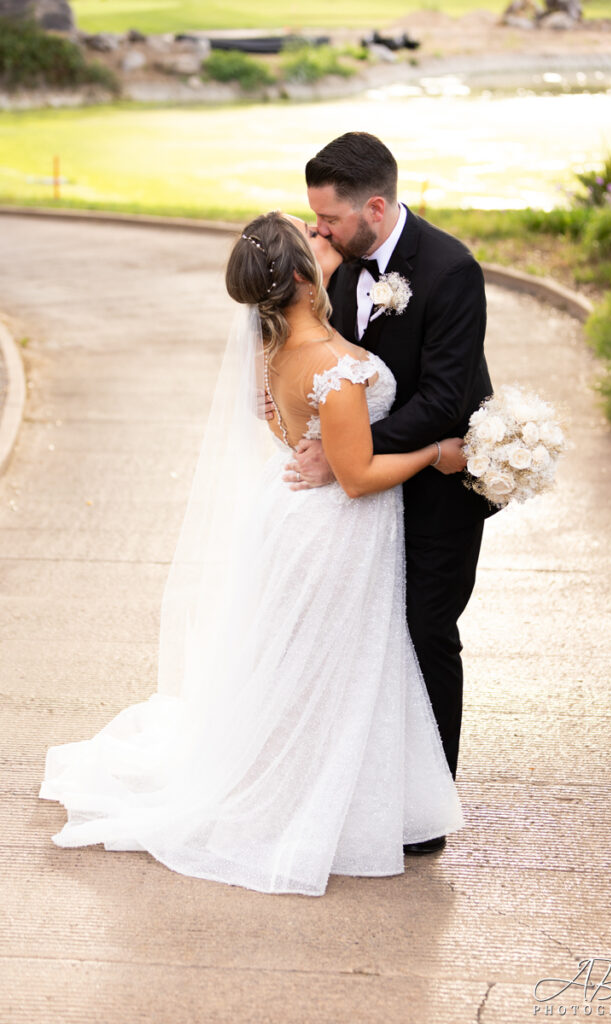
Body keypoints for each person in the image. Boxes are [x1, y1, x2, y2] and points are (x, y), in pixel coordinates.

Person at [38, 212, 468, 897]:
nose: (327, 243)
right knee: (333, 667)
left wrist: (309, 286)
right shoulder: (331, 364)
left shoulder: (273, 348)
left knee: (296, 665)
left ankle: (310, 780)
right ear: (300, 277)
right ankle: (313, 799)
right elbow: (356, 476)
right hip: (335, 526)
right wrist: (437, 453)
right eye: (315, 244)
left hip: (289, 513)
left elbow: (272, 412)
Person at [278, 133, 497, 856]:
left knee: (425, 630)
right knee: (368, 634)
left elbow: (443, 398)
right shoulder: (339, 266)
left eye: (329, 220)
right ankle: (362, 787)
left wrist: (350, 455)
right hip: (368, 491)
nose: (318, 232)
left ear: (375, 206)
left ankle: (425, 811)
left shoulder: (451, 270)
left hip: (439, 484)